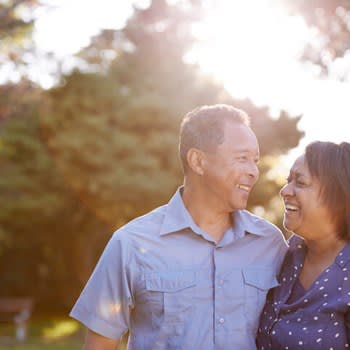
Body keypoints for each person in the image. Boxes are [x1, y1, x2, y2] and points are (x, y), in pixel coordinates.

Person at [70, 104, 288, 350]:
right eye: (242, 158)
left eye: (255, 161)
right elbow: (101, 343)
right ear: (198, 161)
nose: (253, 171)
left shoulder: (270, 243)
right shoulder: (131, 243)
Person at [256, 141, 350, 349]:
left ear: (338, 195)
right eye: (288, 180)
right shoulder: (284, 255)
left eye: (300, 182)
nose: (285, 191)